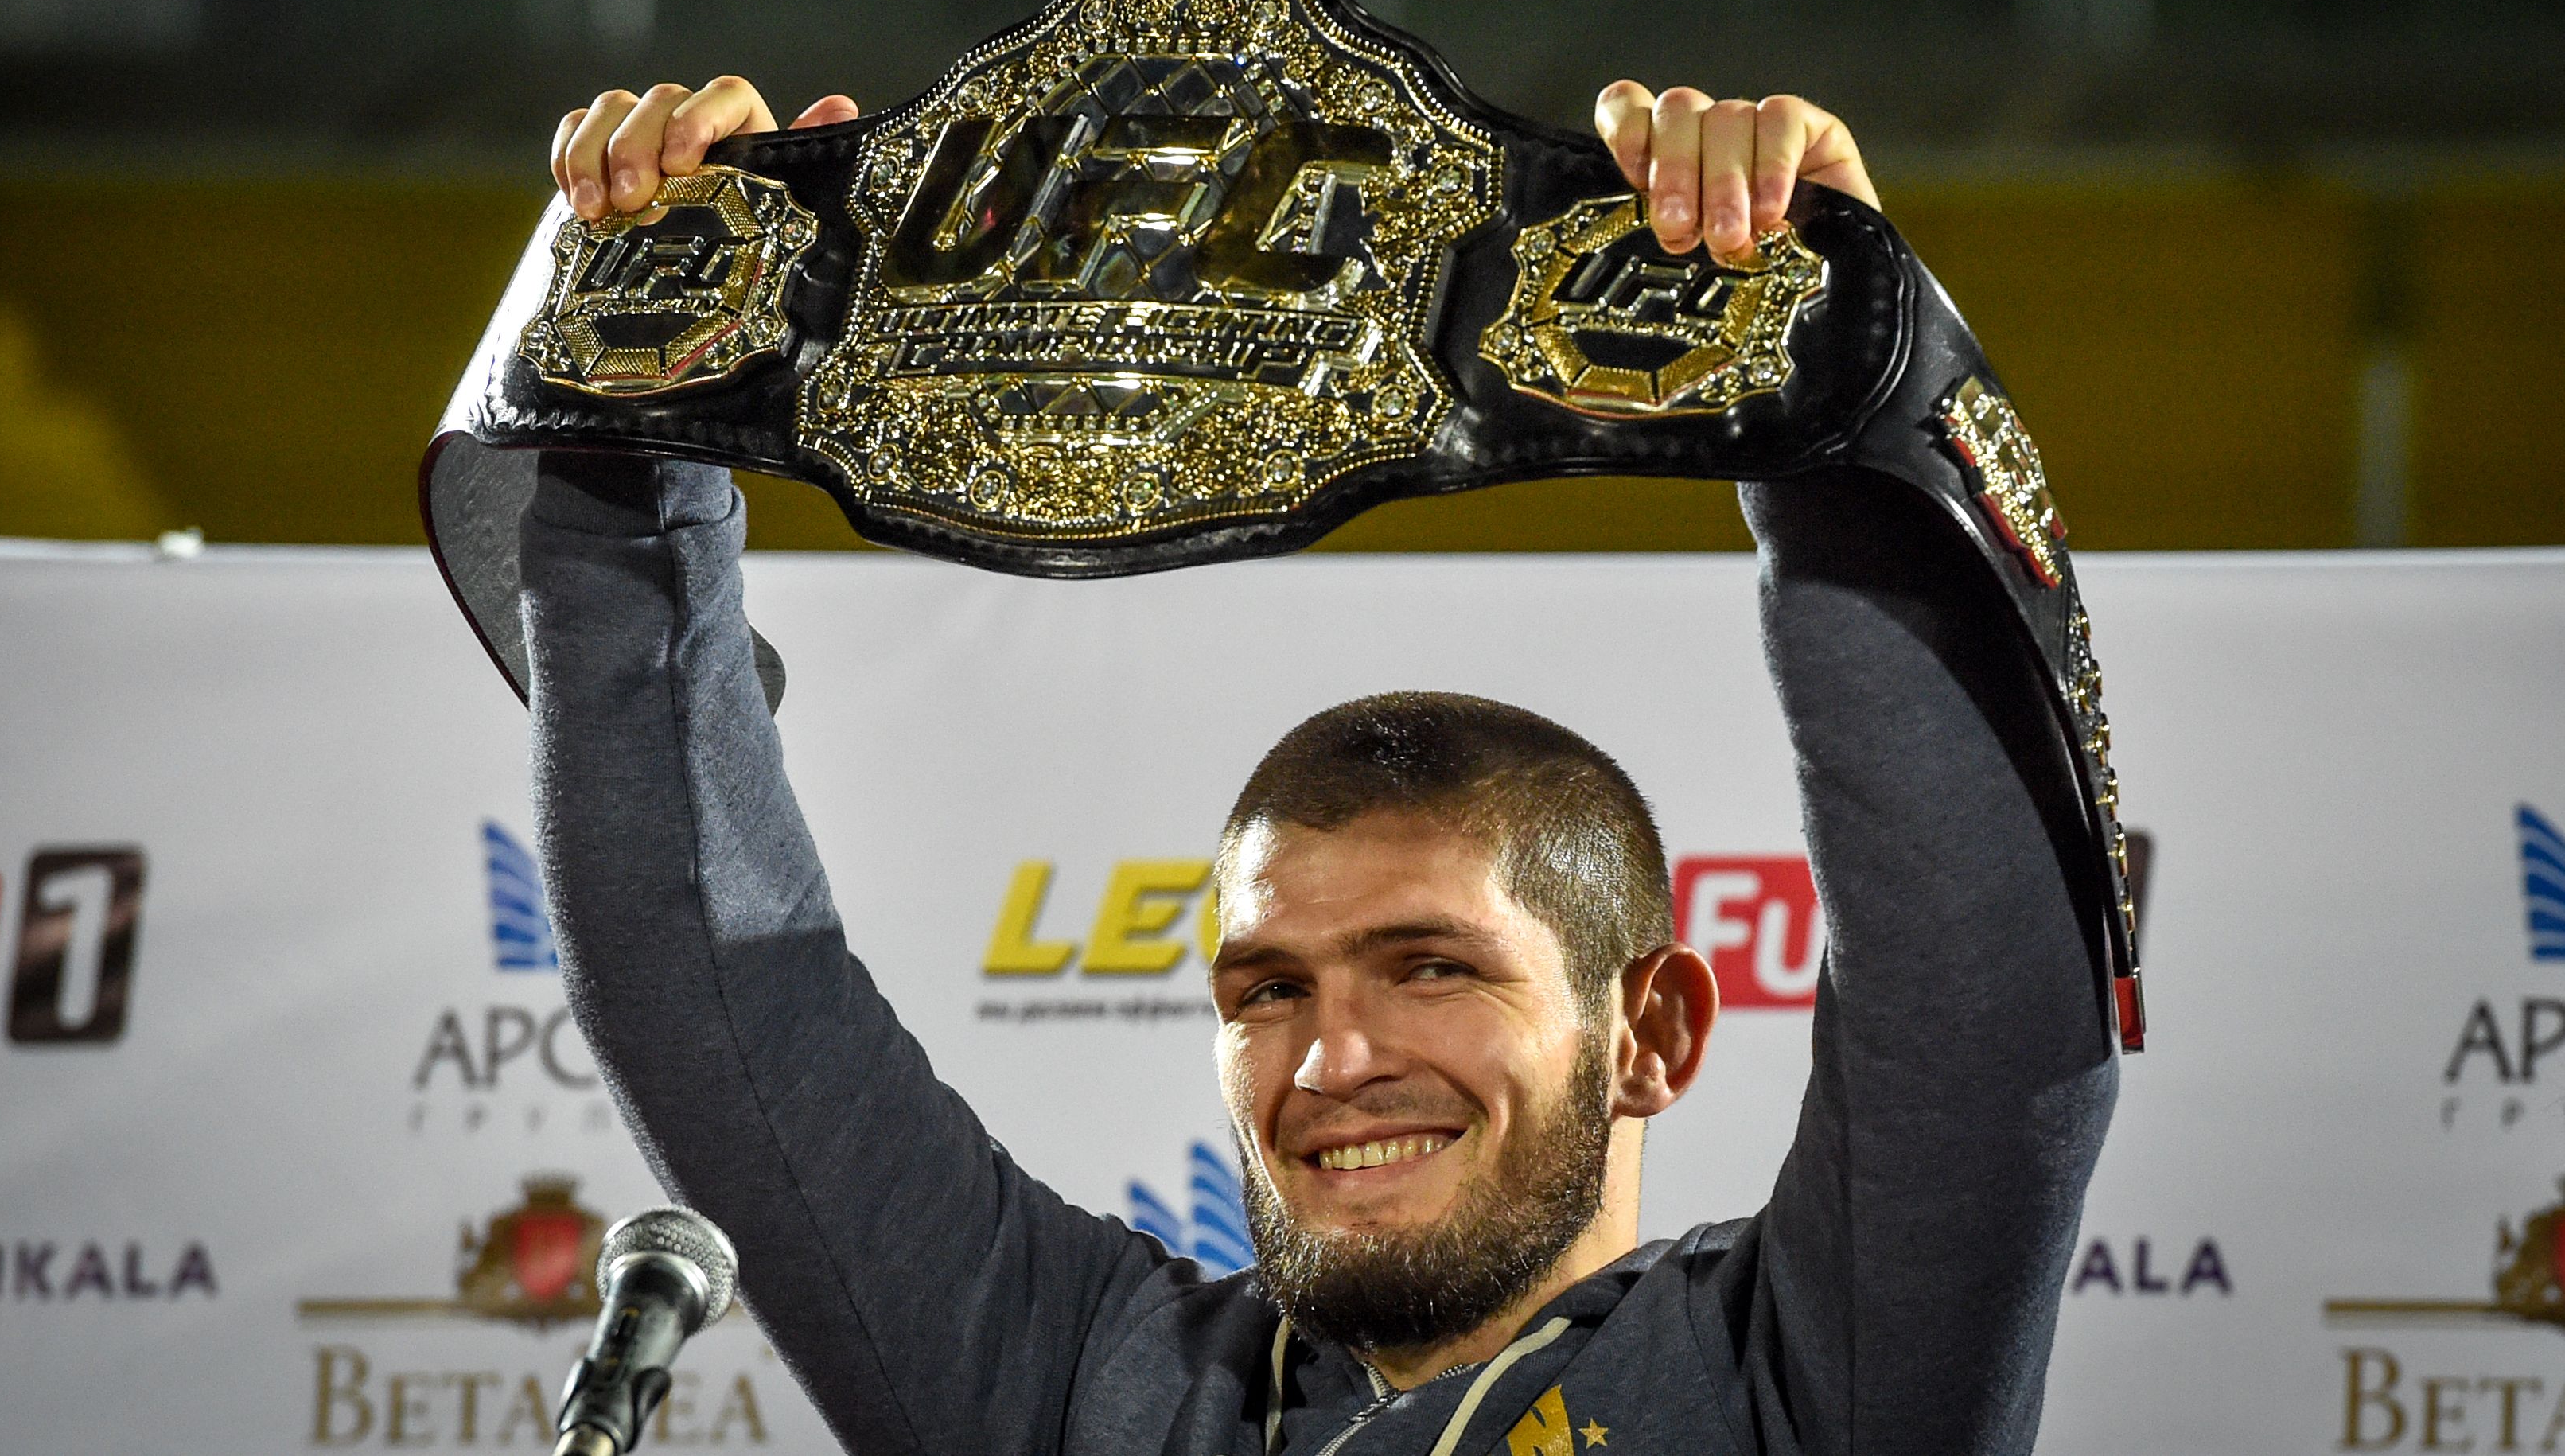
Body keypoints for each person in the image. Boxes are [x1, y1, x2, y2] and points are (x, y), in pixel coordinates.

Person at [524, 75, 2118, 1456]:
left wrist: (1834, 370)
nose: (1330, 1060)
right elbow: (709, 980)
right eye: (1266, 990)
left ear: (1647, 1029)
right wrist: (649, 368)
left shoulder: (1801, 1392)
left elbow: (1981, 995)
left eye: (1428, 969)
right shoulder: (1091, 1393)